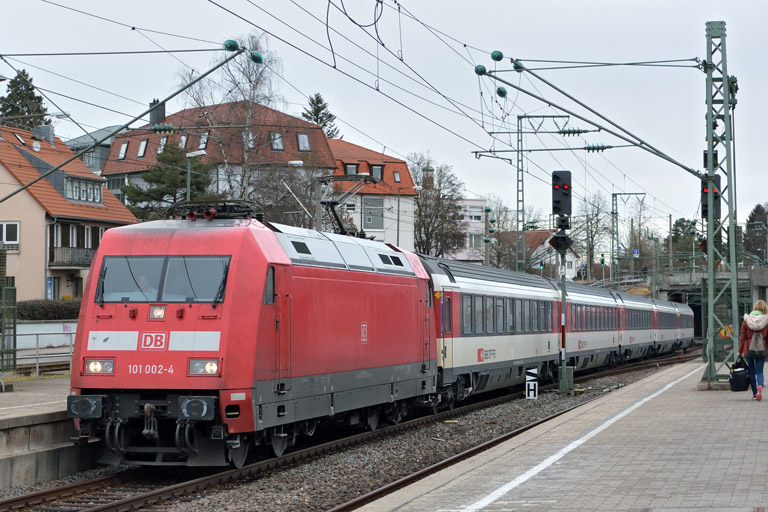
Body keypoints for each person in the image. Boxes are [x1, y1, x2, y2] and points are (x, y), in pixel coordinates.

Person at [738, 299, 768, 401]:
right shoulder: (766, 321)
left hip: (748, 349)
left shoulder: (747, 320)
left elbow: (742, 337)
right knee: (759, 372)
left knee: (751, 371)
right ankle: (760, 385)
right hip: (761, 349)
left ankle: (755, 393)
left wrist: (740, 350)